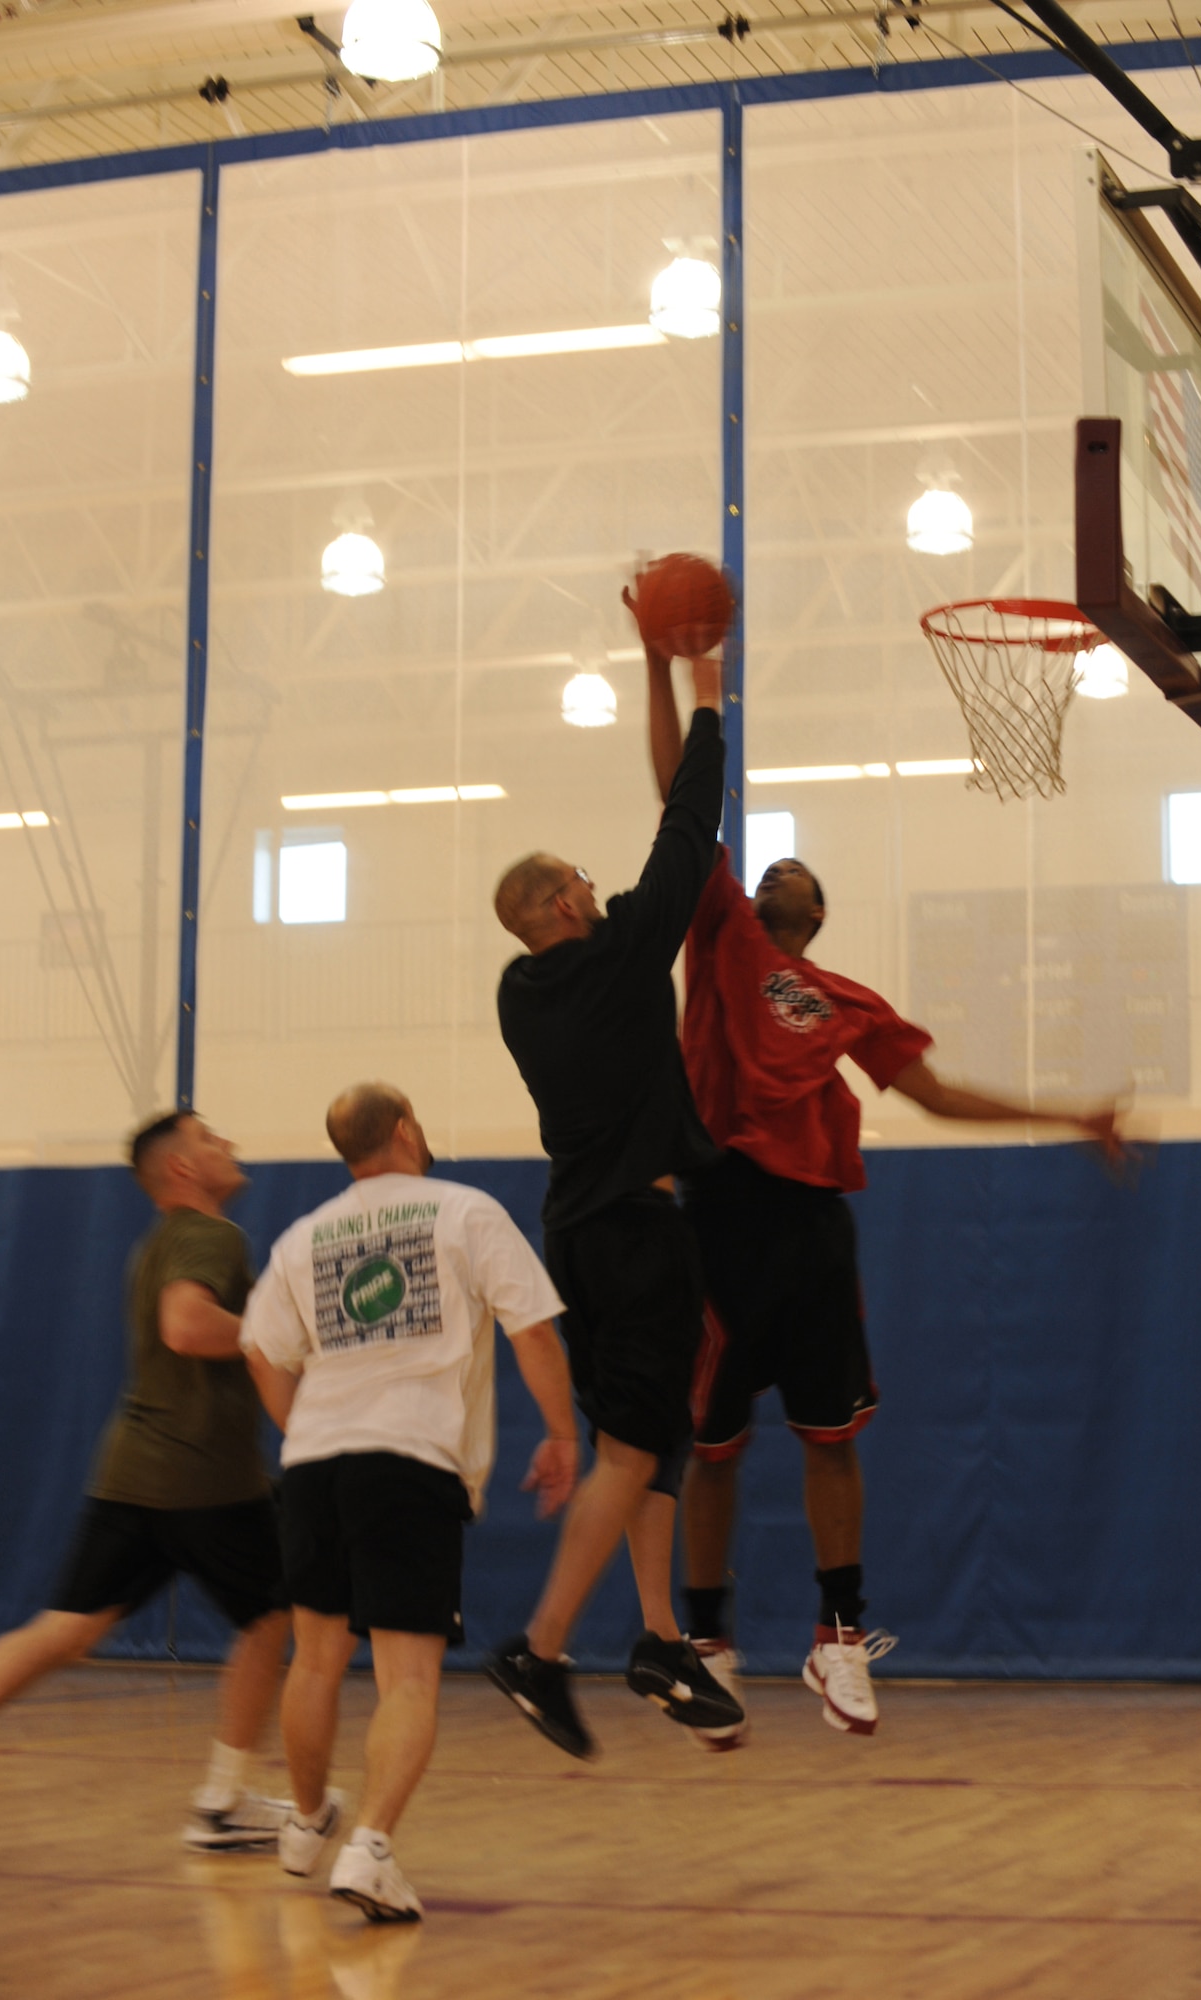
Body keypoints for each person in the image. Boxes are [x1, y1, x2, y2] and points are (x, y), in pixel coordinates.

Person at [643, 652, 1127, 1744]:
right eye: (772, 866)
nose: (785, 873)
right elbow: (679, 791)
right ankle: (710, 1640)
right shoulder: (717, 935)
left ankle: (837, 1633)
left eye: (799, 874)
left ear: (816, 912)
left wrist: (1070, 1113)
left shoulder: (849, 1001)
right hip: (720, 1208)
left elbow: (940, 1094)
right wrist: (667, 666)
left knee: (828, 1435)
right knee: (712, 1444)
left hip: (813, 1225)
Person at [486, 643, 743, 1759]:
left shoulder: (518, 989)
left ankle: (655, 1636)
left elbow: (660, 850)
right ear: (559, 901)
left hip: (572, 1236)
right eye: (579, 880)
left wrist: (654, 662)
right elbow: (688, 821)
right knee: (632, 1453)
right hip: (635, 1234)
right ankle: (538, 1649)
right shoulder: (620, 950)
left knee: (645, 1438)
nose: (597, 886)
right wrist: (703, 692)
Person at [240, 1082, 578, 1921]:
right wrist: (563, 1434)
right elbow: (531, 1328)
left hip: (316, 1462)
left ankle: (309, 1822)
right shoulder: (463, 1210)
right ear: (404, 1131)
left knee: (314, 1659)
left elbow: (258, 1347)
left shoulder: (302, 1236)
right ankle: (373, 1847)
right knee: (407, 1679)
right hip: (410, 1461)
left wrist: (307, 1427)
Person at [0, 1113, 292, 1848]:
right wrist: (275, 1330)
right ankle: (222, 1801)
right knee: (273, 1617)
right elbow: (186, 1327)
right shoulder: (211, 1236)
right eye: (212, 1139)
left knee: (68, 1628)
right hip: (203, 1478)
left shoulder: (159, 1243)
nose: (230, 1146)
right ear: (182, 1169)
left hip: (131, 1470)